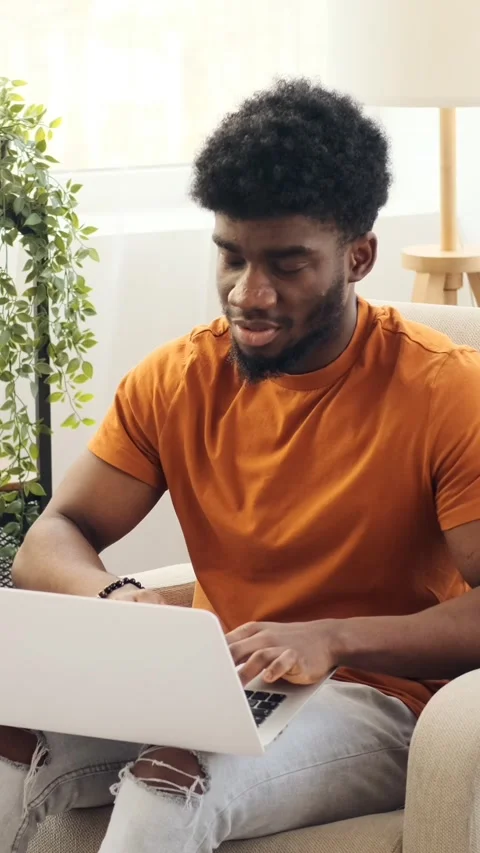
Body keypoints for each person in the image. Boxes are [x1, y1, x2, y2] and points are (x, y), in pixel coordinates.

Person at [2, 78, 480, 853]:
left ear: (358, 256)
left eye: (287, 265)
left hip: (381, 700)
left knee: (173, 780)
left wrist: (333, 638)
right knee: (11, 736)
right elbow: (54, 533)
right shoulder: (178, 377)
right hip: (217, 686)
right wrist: (120, 598)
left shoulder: (447, 390)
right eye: (231, 257)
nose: (249, 294)